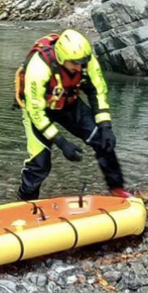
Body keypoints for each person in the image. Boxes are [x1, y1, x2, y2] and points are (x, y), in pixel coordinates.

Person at [15, 28, 131, 201]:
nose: (79, 67)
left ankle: (116, 187)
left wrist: (106, 126)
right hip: (38, 110)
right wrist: (62, 143)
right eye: (75, 63)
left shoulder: (86, 62)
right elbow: (36, 112)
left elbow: (98, 92)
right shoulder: (39, 67)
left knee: (103, 141)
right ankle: (25, 201)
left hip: (68, 104)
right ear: (62, 58)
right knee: (40, 162)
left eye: (82, 62)